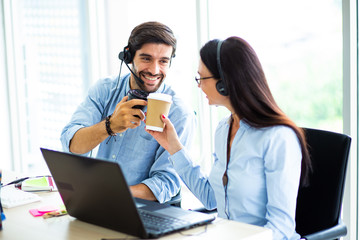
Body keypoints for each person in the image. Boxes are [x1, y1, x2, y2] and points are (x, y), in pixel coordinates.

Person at [146, 37, 312, 239]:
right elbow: (211, 199)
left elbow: (281, 228)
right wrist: (173, 147)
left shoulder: (278, 138)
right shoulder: (224, 129)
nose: (199, 86)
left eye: (201, 78)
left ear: (224, 83)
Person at [60, 21, 196, 204]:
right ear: (128, 57)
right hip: (98, 203)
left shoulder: (179, 113)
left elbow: (165, 182)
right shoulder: (105, 90)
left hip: (146, 209)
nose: (155, 70)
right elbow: (72, 144)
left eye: (163, 61)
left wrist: (111, 192)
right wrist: (110, 126)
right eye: (146, 58)